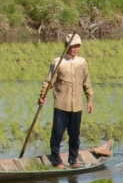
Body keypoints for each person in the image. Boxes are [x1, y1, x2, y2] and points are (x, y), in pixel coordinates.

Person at [38, 34, 94, 167]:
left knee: (75, 135)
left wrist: (89, 99)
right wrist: (42, 96)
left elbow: (87, 82)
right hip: (61, 105)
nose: (75, 49)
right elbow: (49, 81)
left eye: (77, 46)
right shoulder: (58, 62)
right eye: (73, 46)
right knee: (57, 134)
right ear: (67, 46)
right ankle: (56, 161)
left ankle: (73, 160)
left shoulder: (82, 62)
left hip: (77, 105)